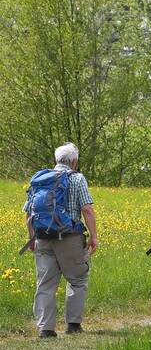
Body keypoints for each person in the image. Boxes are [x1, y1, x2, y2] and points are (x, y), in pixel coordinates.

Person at [23, 143, 98, 338]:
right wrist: (94, 236)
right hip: (69, 238)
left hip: (43, 238)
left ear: (56, 160)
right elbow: (87, 209)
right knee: (77, 279)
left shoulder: (40, 179)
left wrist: (31, 238)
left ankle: (45, 329)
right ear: (74, 161)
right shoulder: (77, 178)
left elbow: (28, 212)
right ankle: (73, 325)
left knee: (45, 283)